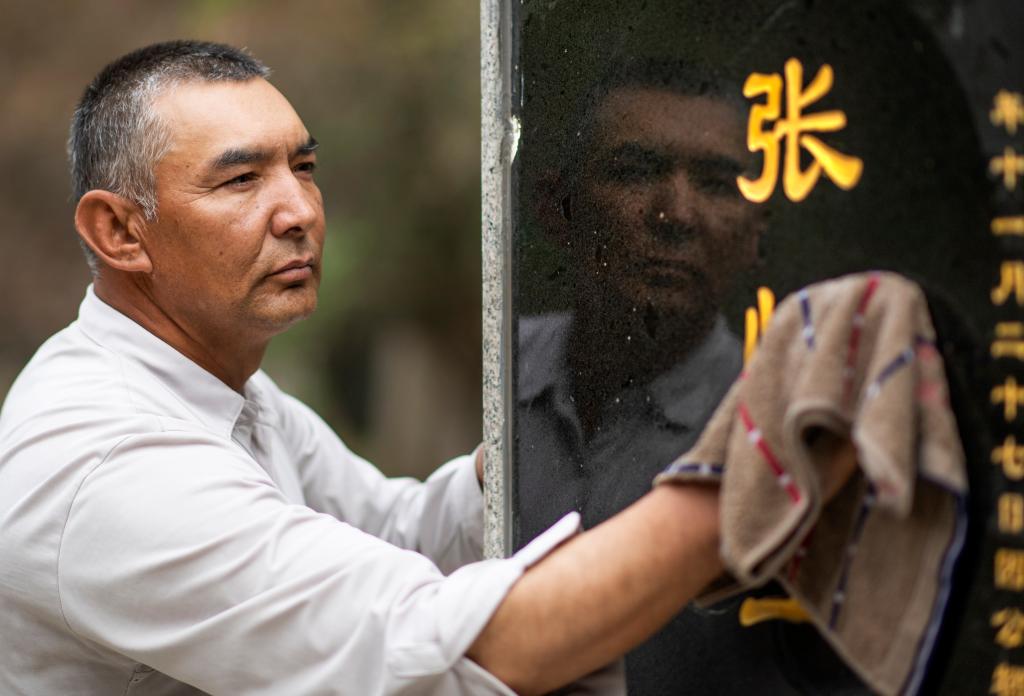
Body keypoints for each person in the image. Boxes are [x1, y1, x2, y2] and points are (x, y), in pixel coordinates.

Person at [0, 40, 728, 696]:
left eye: (303, 168)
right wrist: (740, 478)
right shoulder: (113, 462)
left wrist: (513, 456)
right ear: (120, 232)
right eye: (241, 179)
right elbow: (452, 651)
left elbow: (395, 533)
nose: (299, 212)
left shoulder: (231, 391)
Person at [516, 60, 868, 694]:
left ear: (755, 235)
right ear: (557, 208)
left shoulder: (788, 431)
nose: (675, 213)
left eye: (716, 184)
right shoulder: (496, 370)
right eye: (635, 171)